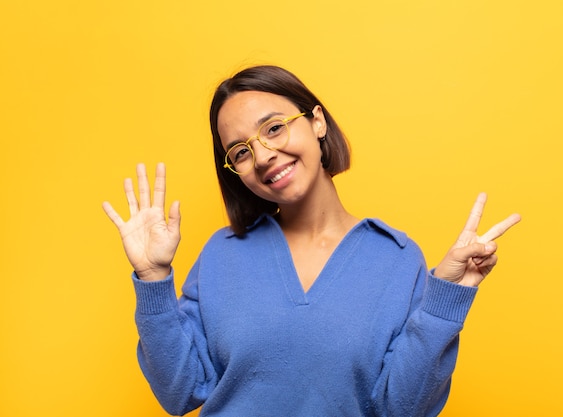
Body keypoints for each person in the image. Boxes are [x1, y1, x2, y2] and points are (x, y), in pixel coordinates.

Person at [102, 65, 521, 417]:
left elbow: (403, 408)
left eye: (274, 128)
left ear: (317, 121)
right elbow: (179, 393)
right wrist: (153, 277)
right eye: (241, 152)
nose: (263, 154)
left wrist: (445, 300)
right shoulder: (222, 254)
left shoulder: (395, 257)